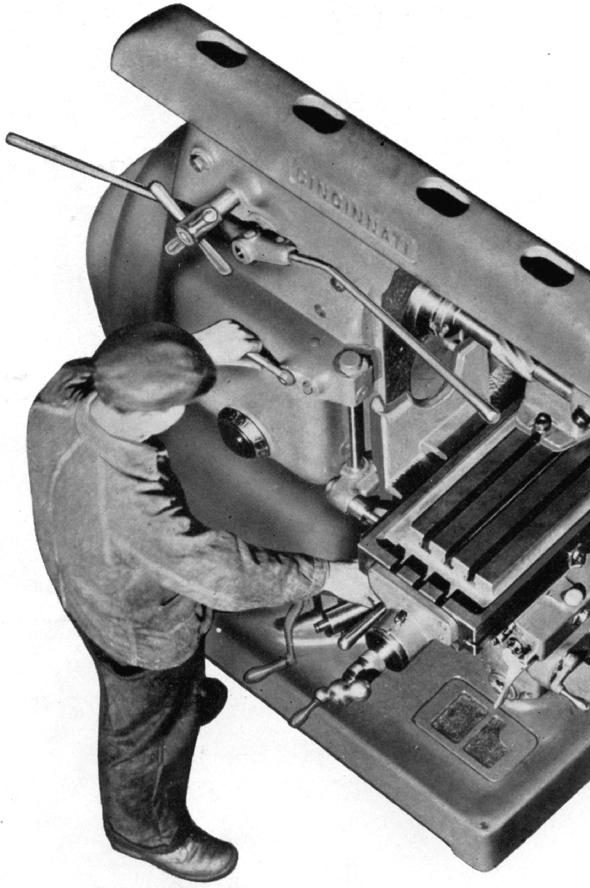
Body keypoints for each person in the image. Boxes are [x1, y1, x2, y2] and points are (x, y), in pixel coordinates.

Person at [27, 319, 371, 883]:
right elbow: (227, 579)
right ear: (159, 415)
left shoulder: (62, 393)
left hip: (83, 574)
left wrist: (193, 353)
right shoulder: (132, 509)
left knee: (166, 690)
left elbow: (111, 367)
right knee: (145, 725)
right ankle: (143, 830)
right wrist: (328, 575)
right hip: (136, 629)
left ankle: (182, 703)